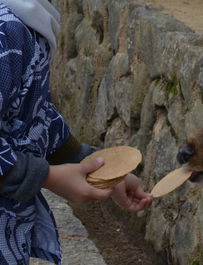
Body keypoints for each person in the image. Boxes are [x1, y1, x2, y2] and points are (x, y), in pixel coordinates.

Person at [0, 0, 153, 264]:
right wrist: (46, 176)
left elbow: (31, 113)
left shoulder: (24, 19)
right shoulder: (7, 30)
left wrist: (94, 166)